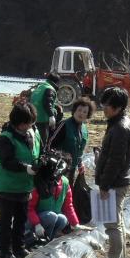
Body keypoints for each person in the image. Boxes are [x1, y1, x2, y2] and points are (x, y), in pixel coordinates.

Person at [94, 86, 130, 258]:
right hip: (118, 181)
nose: (103, 108)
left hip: (114, 183)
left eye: (107, 105)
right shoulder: (120, 123)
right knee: (116, 222)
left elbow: (115, 161)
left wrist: (105, 186)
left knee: (112, 225)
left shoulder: (119, 128)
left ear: (118, 108)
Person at [0, 102, 41, 258]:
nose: (29, 126)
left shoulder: (32, 134)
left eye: (31, 122)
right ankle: (5, 252)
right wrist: (26, 168)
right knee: (6, 220)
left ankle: (19, 247)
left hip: (24, 186)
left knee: (21, 219)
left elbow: (37, 152)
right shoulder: (4, 139)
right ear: (17, 122)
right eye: (26, 123)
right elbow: (7, 161)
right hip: (7, 187)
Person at [50, 96, 94, 226]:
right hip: (59, 168)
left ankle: (66, 221)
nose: (82, 114)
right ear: (74, 110)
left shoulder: (84, 129)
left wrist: (80, 163)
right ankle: (55, 221)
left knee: (68, 194)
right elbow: (51, 144)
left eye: (85, 112)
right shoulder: (64, 125)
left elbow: (80, 149)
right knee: (57, 194)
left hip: (73, 168)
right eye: (80, 110)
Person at [27, 150, 79, 244]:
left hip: (50, 218)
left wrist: (75, 224)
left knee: (62, 219)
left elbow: (68, 206)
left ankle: (47, 240)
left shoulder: (65, 182)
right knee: (51, 216)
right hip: (32, 219)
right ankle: (31, 240)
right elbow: (29, 208)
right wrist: (37, 224)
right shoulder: (40, 181)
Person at [31, 72, 60, 145]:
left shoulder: (40, 87)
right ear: (56, 82)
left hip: (33, 117)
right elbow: (47, 103)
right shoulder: (50, 89)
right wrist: (51, 115)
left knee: (34, 140)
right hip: (42, 119)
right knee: (42, 142)